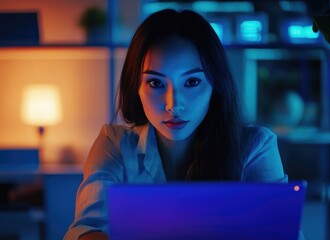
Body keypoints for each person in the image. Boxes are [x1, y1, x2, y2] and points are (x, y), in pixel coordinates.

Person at [64, 9, 288, 240]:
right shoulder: (116, 146)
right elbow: (86, 228)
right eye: (155, 82)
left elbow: (282, 234)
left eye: (192, 81)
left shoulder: (254, 148)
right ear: (136, 88)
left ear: (216, 85)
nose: (173, 104)